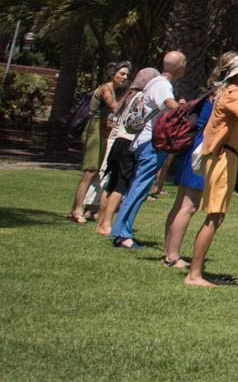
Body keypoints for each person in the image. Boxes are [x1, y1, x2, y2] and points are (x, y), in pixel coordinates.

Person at [183, 53, 238, 286]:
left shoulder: (232, 92)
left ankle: (195, 272)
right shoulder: (234, 93)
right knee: (214, 216)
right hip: (222, 157)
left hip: (225, 157)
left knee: (216, 216)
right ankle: (194, 274)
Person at [161, 51, 238, 269]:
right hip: (203, 149)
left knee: (180, 203)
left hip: (193, 146)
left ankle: (168, 251)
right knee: (189, 205)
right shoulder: (224, 93)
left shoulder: (213, 90)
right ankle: (173, 255)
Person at [110, 50, 187, 249]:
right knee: (139, 187)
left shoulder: (155, 82)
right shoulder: (162, 85)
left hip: (144, 141)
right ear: (179, 66)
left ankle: (120, 229)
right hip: (152, 143)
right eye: (184, 63)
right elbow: (169, 105)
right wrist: (184, 107)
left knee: (138, 186)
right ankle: (122, 233)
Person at [94, 66, 157, 237]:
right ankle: (107, 223)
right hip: (129, 142)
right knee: (121, 185)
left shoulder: (128, 95)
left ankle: (100, 222)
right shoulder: (142, 97)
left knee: (110, 183)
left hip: (117, 141)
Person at [69, 60, 129, 223]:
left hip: (101, 130)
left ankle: (75, 208)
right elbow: (113, 106)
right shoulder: (106, 89)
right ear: (112, 74)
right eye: (122, 74)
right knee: (90, 171)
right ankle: (77, 210)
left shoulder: (113, 90)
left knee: (94, 171)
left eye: (126, 75)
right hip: (93, 130)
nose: (124, 77)